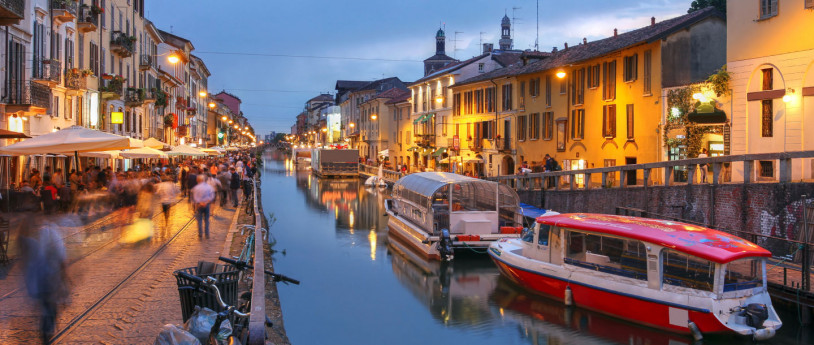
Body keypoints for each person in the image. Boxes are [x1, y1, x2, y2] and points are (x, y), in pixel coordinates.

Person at [18, 218, 68, 343]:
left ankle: (45, 333)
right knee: (50, 308)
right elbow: (61, 261)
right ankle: (46, 334)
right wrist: (64, 281)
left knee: (47, 307)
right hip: (47, 281)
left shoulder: (31, 242)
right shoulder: (49, 236)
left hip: (39, 283)